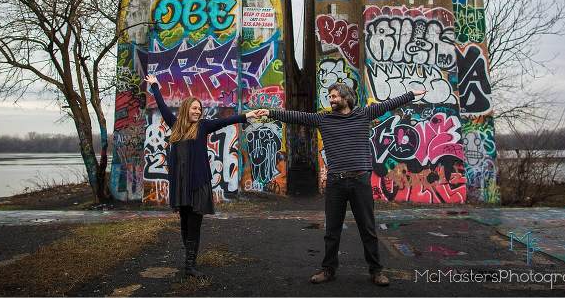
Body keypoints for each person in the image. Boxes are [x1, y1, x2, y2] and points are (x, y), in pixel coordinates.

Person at [265, 82, 425, 286]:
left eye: (334, 96)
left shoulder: (363, 115)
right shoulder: (324, 118)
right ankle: (328, 270)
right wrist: (270, 112)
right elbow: (297, 117)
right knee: (332, 230)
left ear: (346, 97)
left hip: (360, 181)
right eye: (329, 96)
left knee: (367, 228)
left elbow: (388, 104)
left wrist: (411, 93)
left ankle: (376, 271)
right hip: (336, 182)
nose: (330, 99)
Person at [144, 74, 267, 277]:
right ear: (186, 109)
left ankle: (190, 266)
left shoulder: (203, 126)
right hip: (180, 185)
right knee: (184, 223)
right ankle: (189, 257)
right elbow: (163, 106)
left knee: (194, 223)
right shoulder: (175, 126)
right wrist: (156, 86)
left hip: (198, 183)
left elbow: (227, 121)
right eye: (194, 108)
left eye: (199, 109)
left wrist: (247, 115)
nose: (198, 111)